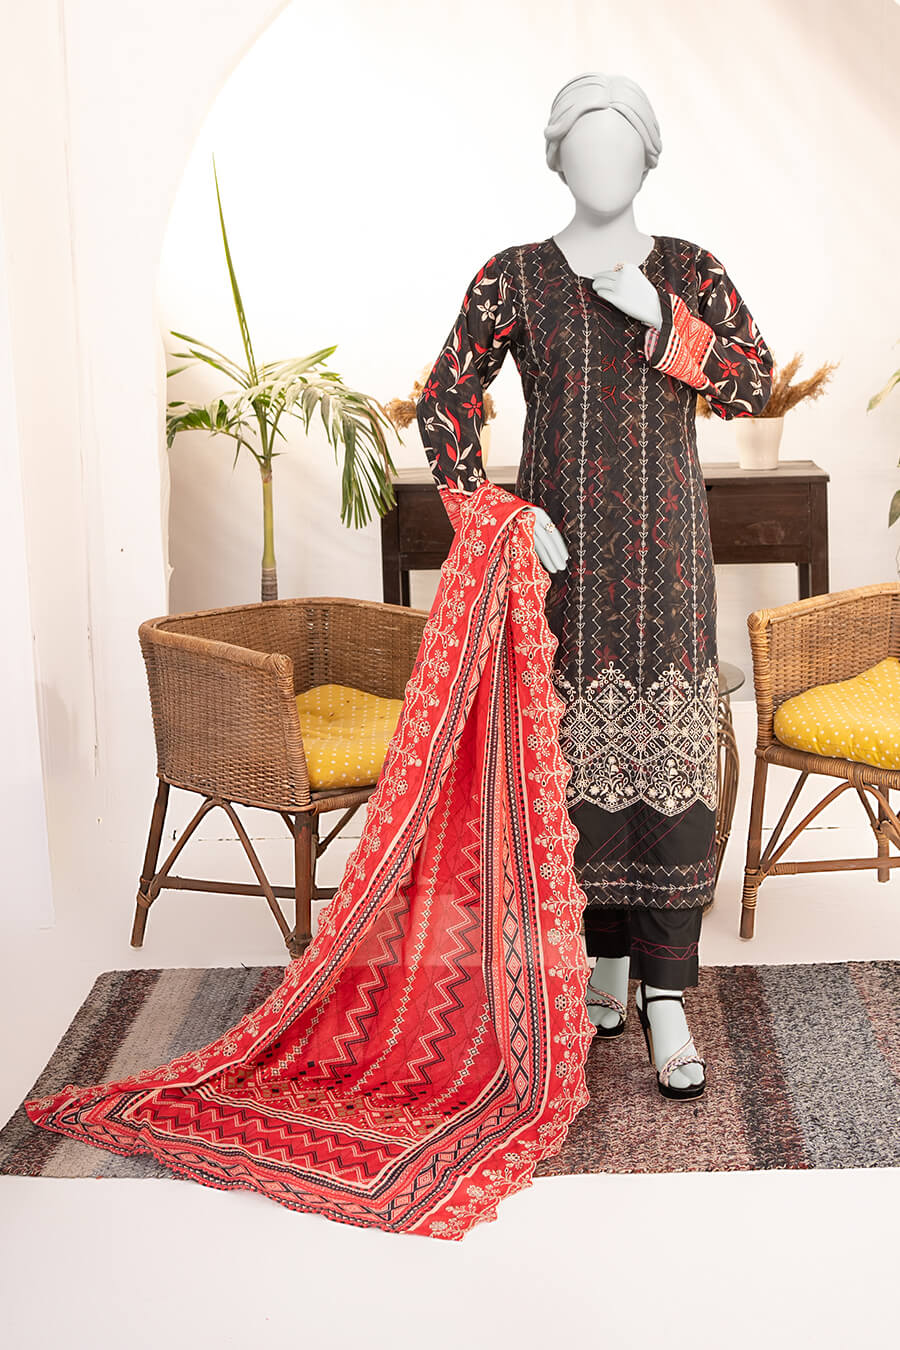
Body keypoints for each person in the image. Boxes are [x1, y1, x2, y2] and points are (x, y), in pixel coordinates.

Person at [416, 71, 775, 1100]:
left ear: (650, 159)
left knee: (670, 770)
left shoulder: (691, 271)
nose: (604, 162)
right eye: (584, 143)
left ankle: (666, 996)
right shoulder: (516, 277)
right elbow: (444, 399)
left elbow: (754, 384)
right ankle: (601, 968)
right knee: (576, 774)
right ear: (556, 158)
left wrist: (666, 319)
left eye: (622, 143)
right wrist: (493, 510)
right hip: (561, 567)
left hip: (668, 564)